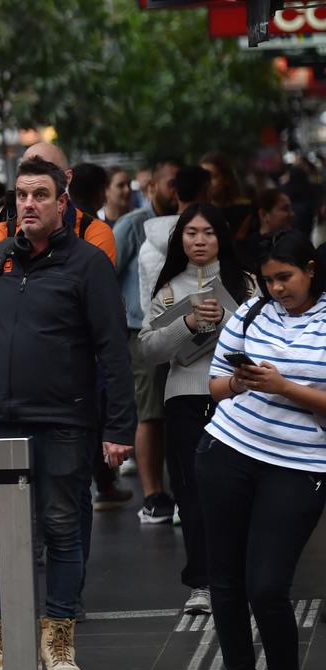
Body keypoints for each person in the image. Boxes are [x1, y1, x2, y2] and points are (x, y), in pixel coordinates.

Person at [0, 158, 135, 670]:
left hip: (63, 421)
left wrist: (119, 427)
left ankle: (57, 642)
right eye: (22, 195)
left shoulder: (87, 263)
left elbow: (113, 350)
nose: (29, 204)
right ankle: (0, 642)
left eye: (41, 195)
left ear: (63, 203)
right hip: (0, 420)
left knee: (61, 528)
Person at [198, 230, 325, 670]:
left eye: (285, 277)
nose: (276, 289)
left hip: (299, 466)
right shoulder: (251, 312)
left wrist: (283, 386)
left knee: (267, 585)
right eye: (269, 280)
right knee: (224, 580)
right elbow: (214, 386)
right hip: (227, 451)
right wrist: (239, 381)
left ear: (310, 269)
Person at [138, 204, 253, 616]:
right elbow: (149, 350)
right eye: (191, 233)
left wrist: (226, 318)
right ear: (179, 239)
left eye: (208, 232)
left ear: (222, 237)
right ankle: (202, 581)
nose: (199, 241)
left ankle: (238, 575)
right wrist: (185, 322)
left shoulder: (244, 285)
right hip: (185, 396)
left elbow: (263, 338)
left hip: (238, 398)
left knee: (238, 487)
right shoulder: (169, 289)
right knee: (190, 490)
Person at [113, 159, 181, 525]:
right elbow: (109, 272)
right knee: (150, 412)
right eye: (170, 183)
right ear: (152, 187)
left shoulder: (189, 224)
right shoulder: (132, 226)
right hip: (141, 330)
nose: (175, 191)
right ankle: (153, 494)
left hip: (182, 331)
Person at [0, 142, 117, 266]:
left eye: (44, 170)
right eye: (27, 170)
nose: (33, 179)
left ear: (67, 178)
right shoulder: (2, 234)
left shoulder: (92, 232)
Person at [140, 166, 214, 318]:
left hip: (162, 332)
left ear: (176, 193)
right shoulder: (213, 240)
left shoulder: (149, 243)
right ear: (205, 193)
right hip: (206, 328)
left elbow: (146, 302)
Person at [202, 150, 256, 244]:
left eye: (213, 177)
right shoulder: (197, 212)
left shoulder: (243, 210)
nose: (207, 183)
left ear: (226, 179)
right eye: (203, 177)